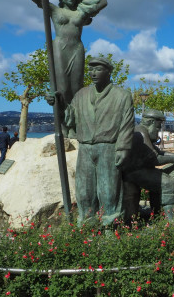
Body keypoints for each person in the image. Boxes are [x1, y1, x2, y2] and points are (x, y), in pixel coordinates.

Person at [46, 57, 134, 226]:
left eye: (98, 69)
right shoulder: (82, 95)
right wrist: (59, 104)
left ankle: (110, 224)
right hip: (85, 148)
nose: (93, 73)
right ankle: (86, 223)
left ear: (109, 72)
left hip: (108, 147)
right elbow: (70, 118)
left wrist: (123, 148)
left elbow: (127, 124)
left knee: (108, 190)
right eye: (91, 70)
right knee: (84, 190)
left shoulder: (122, 96)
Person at [32, 0, 108, 134]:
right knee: (62, 88)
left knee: (77, 90)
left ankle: (74, 126)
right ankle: (63, 126)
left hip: (77, 49)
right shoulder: (54, 10)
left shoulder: (81, 12)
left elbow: (102, 2)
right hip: (60, 48)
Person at [123, 109, 174, 221]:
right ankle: (170, 221)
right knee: (168, 183)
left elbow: (158, 152)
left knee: (157, 183)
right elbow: (155, 158)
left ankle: (156, 213)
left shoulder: (141, 131)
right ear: (151, 122)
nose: (158, 130)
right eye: (158, 126)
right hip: (134, 172)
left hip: (135, 171)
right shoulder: (141, 132)